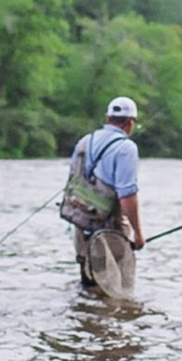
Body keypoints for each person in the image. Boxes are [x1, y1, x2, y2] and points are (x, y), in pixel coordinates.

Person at [68, 96, 145, 289]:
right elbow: (127, 197)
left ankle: (84, 316)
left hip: (81, 223)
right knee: (115, 286)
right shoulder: (127, 148)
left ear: (107, 118)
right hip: (110, 229)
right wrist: (138, 233)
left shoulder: (85, 141)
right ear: (130, 122)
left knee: (89, 283)